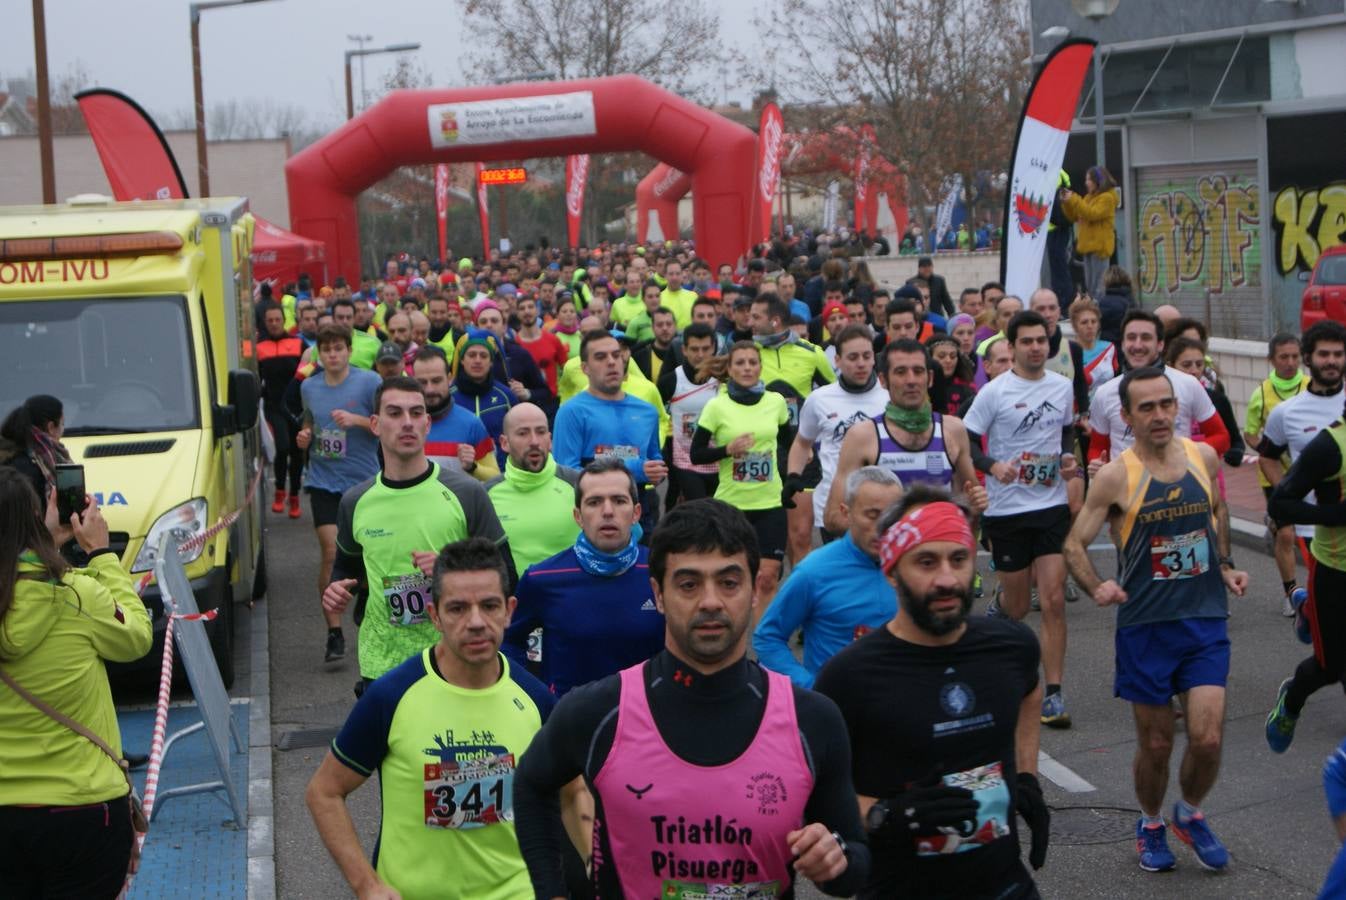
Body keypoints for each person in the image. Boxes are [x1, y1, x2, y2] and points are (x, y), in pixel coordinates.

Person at [512, 498, 871, 898]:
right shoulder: (598, 712)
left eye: (729, 582)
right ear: (659, 594)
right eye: (688, 584)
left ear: (754, 589)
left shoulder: (812, 720)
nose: (711, 601)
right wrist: (552, 891)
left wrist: (835, 860)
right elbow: (530, 784)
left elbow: (852, 864)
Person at [814, 485, 1049, 898]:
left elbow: (1031, 689)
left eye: (958, 559)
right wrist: (884, 816)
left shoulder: (1011, 646)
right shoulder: (849, 677)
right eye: (925, 561)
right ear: (891, 571)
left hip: (1005, 886)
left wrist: (1027, 776)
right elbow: (819, 800)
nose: (946, 579)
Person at [1064, 367, 1247, 873]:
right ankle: (1149, 822)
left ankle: (1188, 813)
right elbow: (1074, 542)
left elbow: (1217, 514)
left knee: (1207, 737)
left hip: (1205, 617)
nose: (1160, 414)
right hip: (1145, 626)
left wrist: (1226, 565)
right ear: (1126, 416)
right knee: (1158, 742)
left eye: (1166, 404)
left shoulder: (1202, 456)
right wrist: (1097, 583)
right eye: (1146, 407)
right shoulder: (1116, 475)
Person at [306, 538, 554, 900]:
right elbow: (324, 792)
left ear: (509, 611)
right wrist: (367, 884)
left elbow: (572, 794)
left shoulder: (536, 699)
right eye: (457, 609)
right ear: (434, 614)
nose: (475, 622)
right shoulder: (391, 697)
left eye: (489, 606)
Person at [0, 470, 152, 898]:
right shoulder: (74, 595)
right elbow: (137, 635)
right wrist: (100, 554)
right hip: (82, 809)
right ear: (35, 518)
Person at [321, 376, 512, 693]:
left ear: (427, 423)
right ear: (375, 424)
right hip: (381, 663)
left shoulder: (466, 493)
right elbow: (346, 569)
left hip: (456, 658)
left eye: (415, 413)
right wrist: (336, 590)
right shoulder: (355, 501)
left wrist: (451, 568)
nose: (407, 423)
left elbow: (507, 574)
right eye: (395, 413)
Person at [962, 310, 1078, 727]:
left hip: (1050, 505)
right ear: (1011, 347)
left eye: (1041, 341)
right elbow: (966, 440)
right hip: (1007, 509)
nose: (1034, 347)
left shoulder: (1062, 387)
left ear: (1049, 345)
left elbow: (1066, 430)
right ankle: (999, 611)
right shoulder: (995, 392)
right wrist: (992, 466)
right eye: (1026, 341)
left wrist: (1067, 457)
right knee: (1017, 607)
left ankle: (1054, 694)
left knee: (1051, 599)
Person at [503, 458, 664, 696]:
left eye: (619, 501)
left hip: (646, 721)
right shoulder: (543, 578)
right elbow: (508, 642)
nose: (608, 511)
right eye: (594, 502)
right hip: (570, 725)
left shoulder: (662, 572)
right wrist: (536, 696)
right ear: (578, 516)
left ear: (636, 513)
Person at [1262, 324, 1346, 753]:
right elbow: (1275, 480)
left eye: (1339, 354)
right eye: (1324, 354)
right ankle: (1291, 699)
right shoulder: (1312, 430)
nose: (1331, 361)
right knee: (1330, 666)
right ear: (1310, 359)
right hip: (1327, 555)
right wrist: (1329, 516)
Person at [755, 466, 903, 688]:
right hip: (841, 714)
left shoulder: (916, 565)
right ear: (846, 513)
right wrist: (812, 688)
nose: (882, 528)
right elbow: (767, 638)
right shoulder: (813, 572)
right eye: (872, 515)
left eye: (891, 517)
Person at [825, 339, 984, 535]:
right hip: (882, 561)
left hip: (933, 558)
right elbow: (834, 517)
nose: (911, 380)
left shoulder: (952, 429)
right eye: (900, 372)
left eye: (918, 371)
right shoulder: (863, 436)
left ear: (930, 378)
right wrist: (901, 533)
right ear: (883, 380)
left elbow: (971, 505)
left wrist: (975, 505)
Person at [297, 324, 383, 663]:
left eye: (338, 348)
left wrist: (357, 420)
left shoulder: (369, 382)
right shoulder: (309, 387)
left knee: (364, 551)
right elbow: (308, 423)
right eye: (326, 349)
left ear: (349, 350)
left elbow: (381, 424)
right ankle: (334, 632)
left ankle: (364, 589)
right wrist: (304, 435)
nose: (333, 355)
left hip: (362, 481)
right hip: (324, 480)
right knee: (331, 552)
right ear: (319, 353)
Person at [690, 342, 793, 609]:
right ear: (730, 369)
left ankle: (761, 650)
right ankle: (733, 641)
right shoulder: (716, 406)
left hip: (769, 503)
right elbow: (696, 454)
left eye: (752, 362)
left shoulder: (776, 402)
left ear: (760, 366)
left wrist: (790, 478)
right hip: (731, 505)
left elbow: (789, 444)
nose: (747, 368)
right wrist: (727, 450)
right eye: (740, 363)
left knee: (767, 578)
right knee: (730, 579)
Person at [786, 325, 888, 553]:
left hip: (882, 507)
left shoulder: (889, 399)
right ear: (838, 361)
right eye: (852, 357)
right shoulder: (820, 399)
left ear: (874, 359)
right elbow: (802, 443)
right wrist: (793, 476)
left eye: (866, 356)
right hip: (834, 509)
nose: (860, 363)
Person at [1087, 311, 1229, 469]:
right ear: (1122, 344)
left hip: (1176, 484)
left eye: (1146, 338)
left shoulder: (1188, 384)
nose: (1138, 345)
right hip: (1127, 488)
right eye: (1131, 338)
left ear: (1160, 344)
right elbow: (1097, 447)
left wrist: (1184, 456)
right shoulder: (1105, 393)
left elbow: (1221, 437)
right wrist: (1097, 463)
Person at [553, 329, 666, 491]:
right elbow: (565, 475)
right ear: (585, 368)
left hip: (641, 506)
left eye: (616, 355)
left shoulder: (647, 411)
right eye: (600, 357)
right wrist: (632, 469)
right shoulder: (571, 412)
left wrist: (656, 473)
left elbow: (654, 462)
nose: (611, 362)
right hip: (593, 508)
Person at [1245, 331, 1309, 616]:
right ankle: (1291, 592)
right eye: (1284, 357)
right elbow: (1250, 434)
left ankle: (1319, 589)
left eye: (1295, 356)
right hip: (1274, 475)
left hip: (1309, 474)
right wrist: (1273, 449)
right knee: (1286, 535)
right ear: (1272, 360)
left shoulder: (1311, 387)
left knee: (1312, 537)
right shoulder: (1261, 393)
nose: (1290, 362)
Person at [485, 403, 581, 577]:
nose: (534, 441)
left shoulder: (578, 485)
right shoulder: (486, 494)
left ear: (550, 440)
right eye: (523, 433)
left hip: (572, 598)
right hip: (514, 601)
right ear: (504, 443)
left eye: (541, 432)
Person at [413, 346, 499, 483]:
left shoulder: (471, 423)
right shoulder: (404, 425)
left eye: (436, 381)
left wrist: (473, 467)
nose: (429, 389)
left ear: (449, 379)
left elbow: (495, 476)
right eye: (422, 382)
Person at [657, 323, 722, 504]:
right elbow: (655, 416)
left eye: (705, 349)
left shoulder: (724, 380)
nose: (700, 355)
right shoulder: (670, 381)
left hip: (719, 458)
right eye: (694, 349)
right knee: (699, 509)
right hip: (685, 460)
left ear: (714, 348)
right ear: (684, 350)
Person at [258, 306, 306, 517]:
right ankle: (279, 490)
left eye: (278, 319)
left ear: (284, 320)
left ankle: (294, 496)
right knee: (283, 447)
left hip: (295, 406)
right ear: (266, 322)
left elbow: (307, 369)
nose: (275, 323)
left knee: (297, 452)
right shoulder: (259, 347)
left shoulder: (297, 343)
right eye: (270, 320)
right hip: (274, 406)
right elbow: (255, 377)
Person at [451, 330, 518, 468]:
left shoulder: (505, 396)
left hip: (501, 475)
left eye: (483, 356)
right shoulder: (449, 396)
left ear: (491, 362)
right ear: (462, 360)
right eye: (471, 355)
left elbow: (517, 436)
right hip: (458, 477)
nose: (477, 360)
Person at [752, 293, 836, 399]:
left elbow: (835, 395)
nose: (751, 323)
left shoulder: (812, 352)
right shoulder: (748, 354)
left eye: (756, 317)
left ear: (775, 321)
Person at [1061, 166, 1121, 300]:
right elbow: (1075, 216)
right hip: (1087, 247)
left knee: (1099, 286)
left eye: (1089, 179)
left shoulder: (1107, 198)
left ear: (1098, 181)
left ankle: (1100, 312)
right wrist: (1067, 203)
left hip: (1100, 247)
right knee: (1090, 285)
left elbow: (1091, 214)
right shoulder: (1088, 198)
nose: (1086, 183)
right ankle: (1094, 309)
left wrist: (1074, 199)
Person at [0, 393, 70, 505]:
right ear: (51, 427)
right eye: (62, 424)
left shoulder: (16, 455)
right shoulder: (30, 468)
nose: (63, 430)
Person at [1069, 294, 1118, 405]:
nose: (1090, 326)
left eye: (1093, 321)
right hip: (1080, 412)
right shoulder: (1068, 351)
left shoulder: (1109, 348)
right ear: (1074, 326)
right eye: (1084, 322)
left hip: (1106, 408)